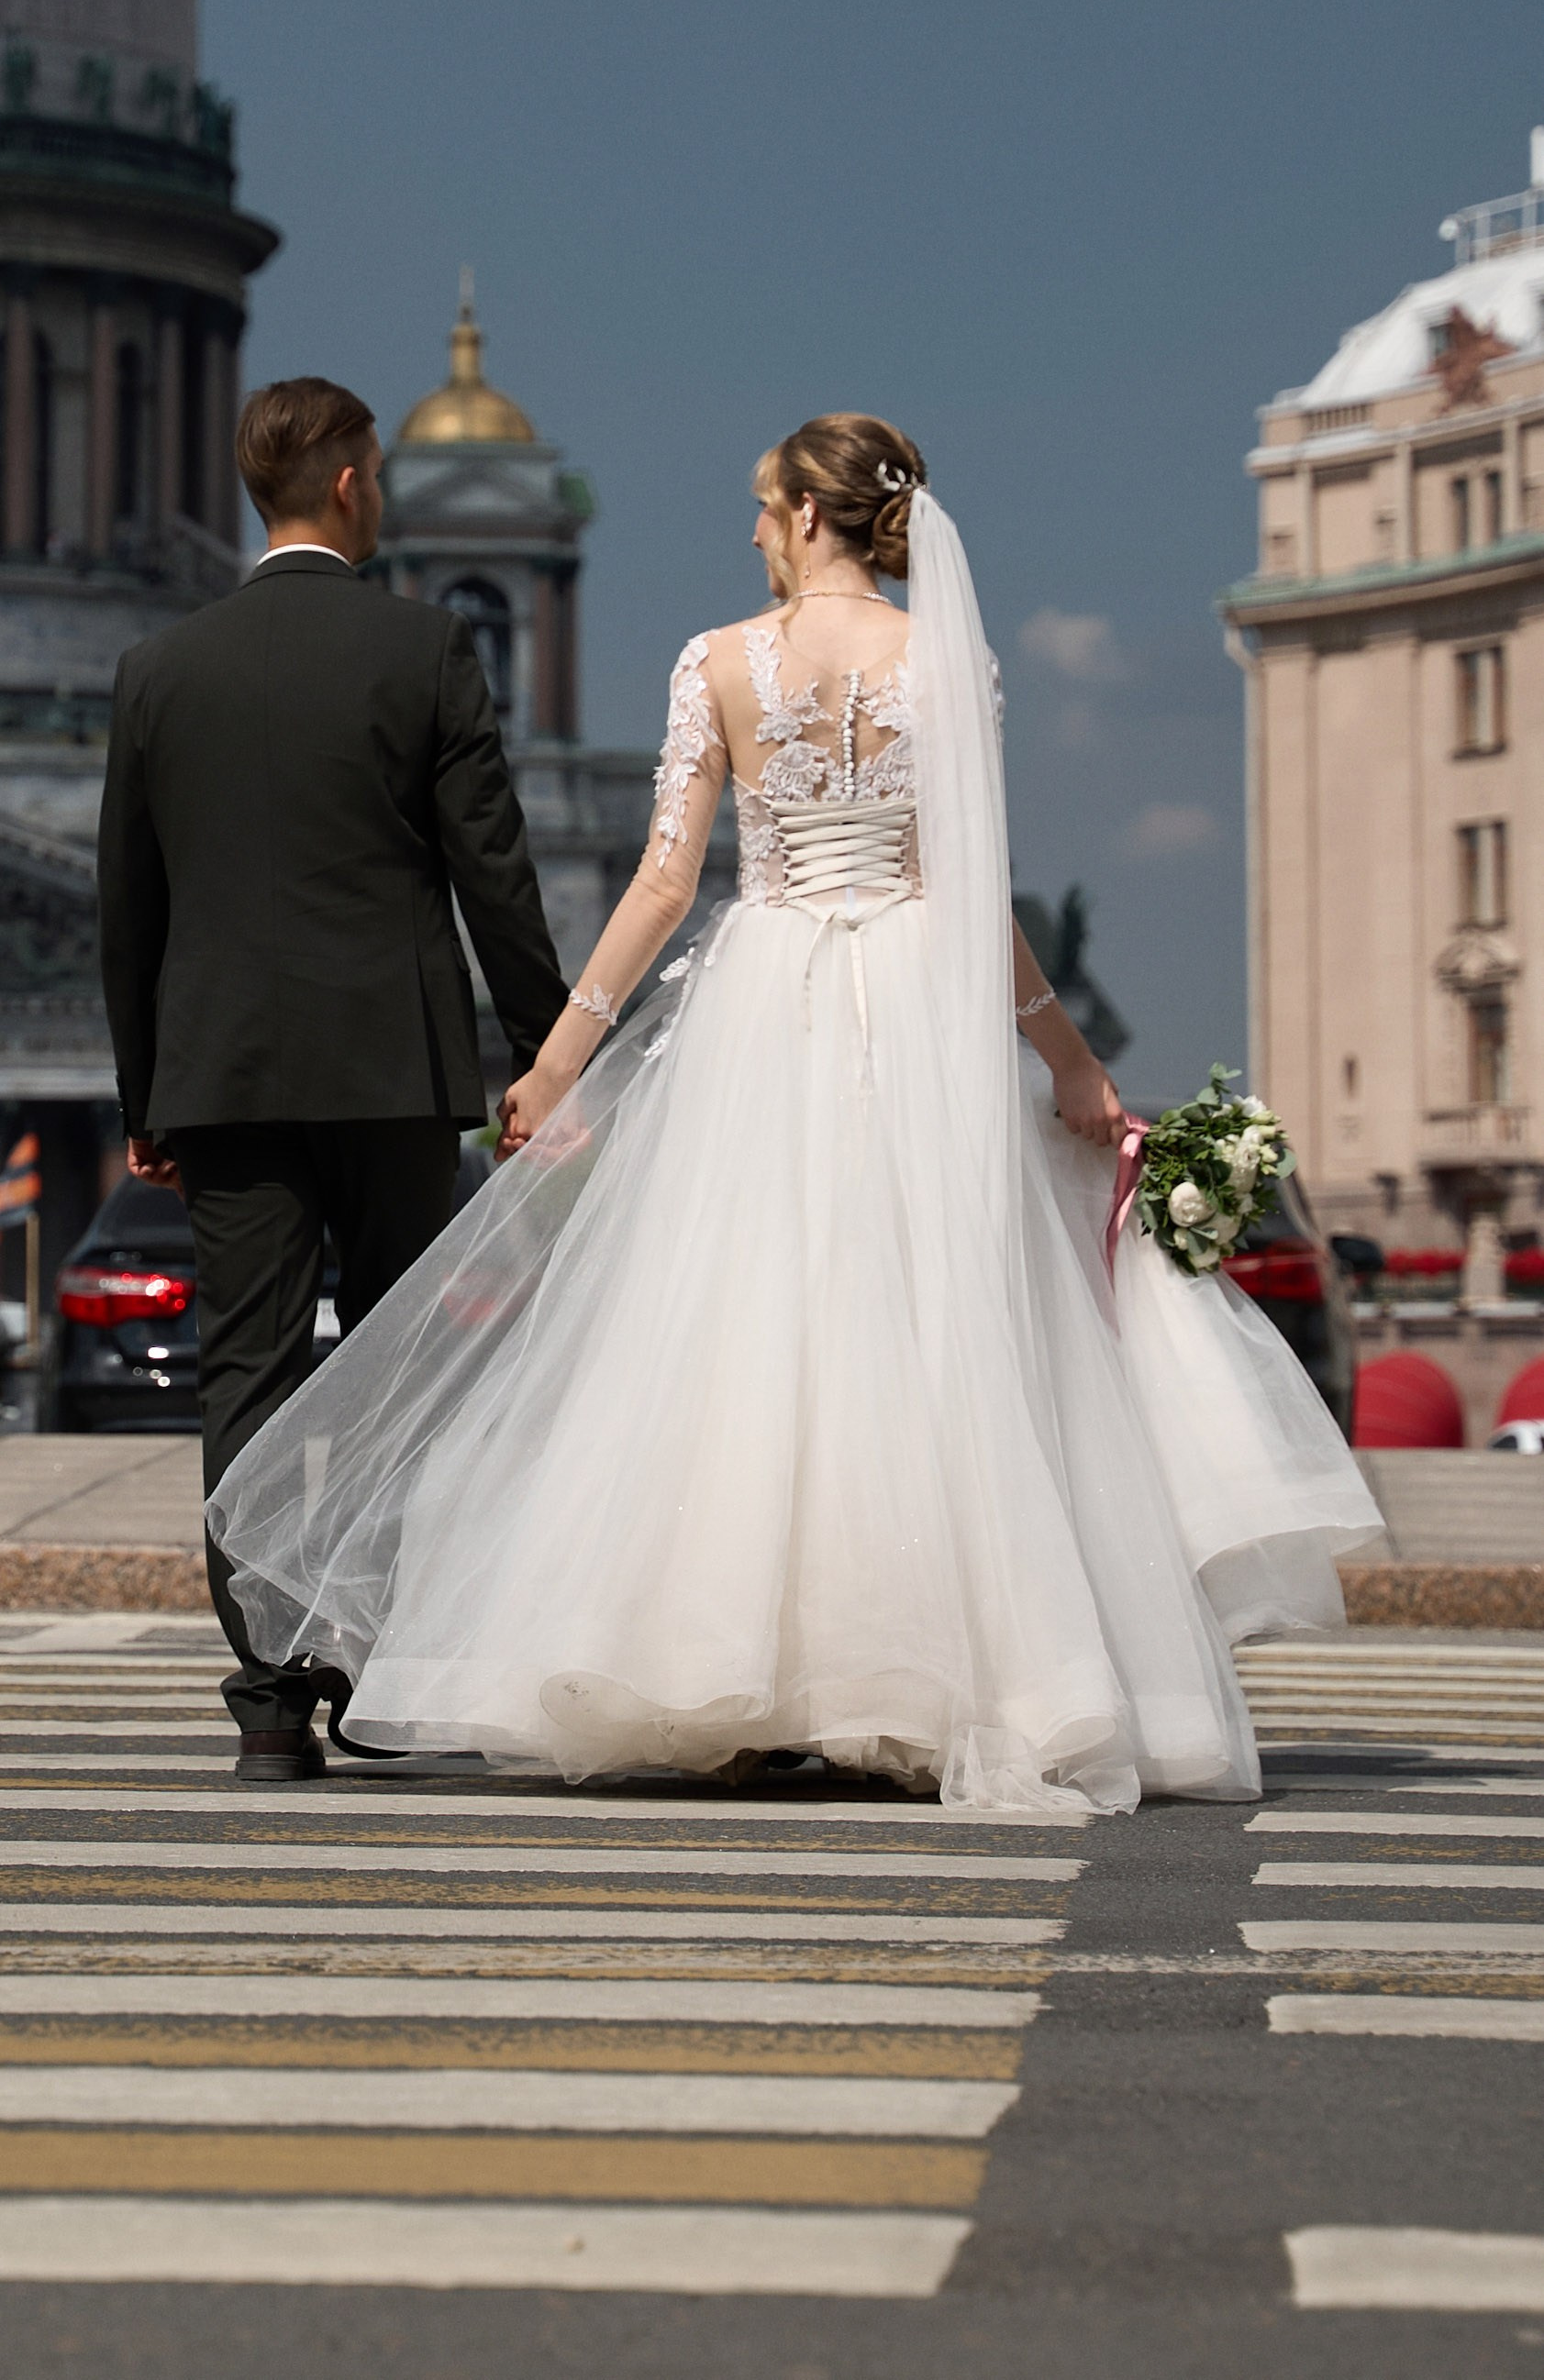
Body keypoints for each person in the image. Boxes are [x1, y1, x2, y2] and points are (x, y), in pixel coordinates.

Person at [208, 413, 1383, 1813]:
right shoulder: (948, 665)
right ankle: (945, 1670)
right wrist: (1067, 1059)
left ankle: (738, 1669)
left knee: (747, 1329)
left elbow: (660, 883)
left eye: (764, 507)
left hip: (764, 1005)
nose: (752, 530)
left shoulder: (718, 663)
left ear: (812, 514)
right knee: (925, 1327)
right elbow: (970, 893)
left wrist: (565, 1052)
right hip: (917, 1009)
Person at [97, 375, 568, 1781]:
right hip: (389, 1070)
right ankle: (375, 1667)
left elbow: (130, 913)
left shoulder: (160, 668)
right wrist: (553, 1053)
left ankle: (266, 1693)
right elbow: (497, 878)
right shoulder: (424, 650)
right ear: (356, 484)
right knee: (397, 1371)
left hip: (226, 1076)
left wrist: (146, 1100)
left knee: (242, 1375)